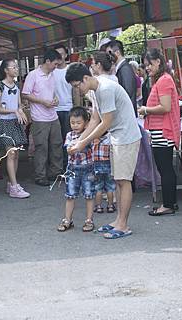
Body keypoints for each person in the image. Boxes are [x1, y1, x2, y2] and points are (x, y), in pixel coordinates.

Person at [66, 63, 141, 239]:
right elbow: (94, 119)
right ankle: (118, 221)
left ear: (85, 78)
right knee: (118, 180)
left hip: (126, 136)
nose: (77, 90)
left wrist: (83, 143)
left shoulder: (104, 89)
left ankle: (123, 225)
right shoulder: (95, 89)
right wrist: (79, 140)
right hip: (118, 137)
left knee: (124, 181)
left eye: (77, 85)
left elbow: (105, 123)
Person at [138, 48, 181, 216]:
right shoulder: (163, 79)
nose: (147, 68)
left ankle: (168, 205)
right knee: (166, 169)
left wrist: (146, 110)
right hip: (162, 130)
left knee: (165, 169)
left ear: (158, 61)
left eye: (149, 64)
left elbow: (165, 107)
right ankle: (171, 203)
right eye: (145, 65)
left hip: (162, 130)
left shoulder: (163, 80)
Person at [21, 48, 63, 186]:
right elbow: (25, 94)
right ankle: (40, 175)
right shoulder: (33, 75)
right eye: (55, 64)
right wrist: (42, 101)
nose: (56, 67)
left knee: (56, 145)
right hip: (39, 118)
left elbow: (52, 92)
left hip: (53, 115)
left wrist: (55, 99)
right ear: (47, 61)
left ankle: (55, 173)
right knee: (41, 147)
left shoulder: (52, 75)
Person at [0, 59, 30, 198]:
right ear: (6, 70)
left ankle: (12, 183)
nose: (16, 69)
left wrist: (20, 111)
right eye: (13, 67)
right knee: (11, 154)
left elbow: (19, 104)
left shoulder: (16, 86)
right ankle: (14, 186)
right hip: (4, 122)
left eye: (16, 67)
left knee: (15, 155)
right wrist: (14, 111)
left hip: (15, 122)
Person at [57, 106, 95, 232]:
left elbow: (92, 146)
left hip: (88, 168)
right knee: (70, 195)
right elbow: (68, 150)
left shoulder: (89, 135)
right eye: (72, 123)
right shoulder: (69, 135)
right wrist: (72, 148)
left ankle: (89, 220)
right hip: (72, 169)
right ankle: (67, 219)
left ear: (86, 123)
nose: (75, 125)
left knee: (89, 195)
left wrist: (79, 144)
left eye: (78, 123)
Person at [89, 51, 118, 214]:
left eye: (93, 64)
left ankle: (100, 205)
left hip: (105, 130)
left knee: (99, 182)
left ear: (98, 65)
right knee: (112, 180)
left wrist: (85, 140)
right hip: (112, 135)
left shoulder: (101, 84)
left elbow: (99, 118)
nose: (92, 67)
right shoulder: (115, 79)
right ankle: (111, 204)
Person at [52, 44, 73, 168]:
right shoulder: (51, 71)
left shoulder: (70, 69)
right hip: (53, 111)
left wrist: (77, 108)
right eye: (57, 54)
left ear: (66, 55)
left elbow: (76, 91)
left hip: (68, 110)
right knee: (56, 142)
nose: (59, 56)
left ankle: (69, 166)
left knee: (69, 140)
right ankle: (58, 168)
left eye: (61, 53)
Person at [107, 40, 137, 115]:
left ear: (117, 52)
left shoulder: (125, 69)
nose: (108, 57)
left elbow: (127, 92)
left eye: (109, 53)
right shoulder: (122, 68)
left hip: (127, 114)